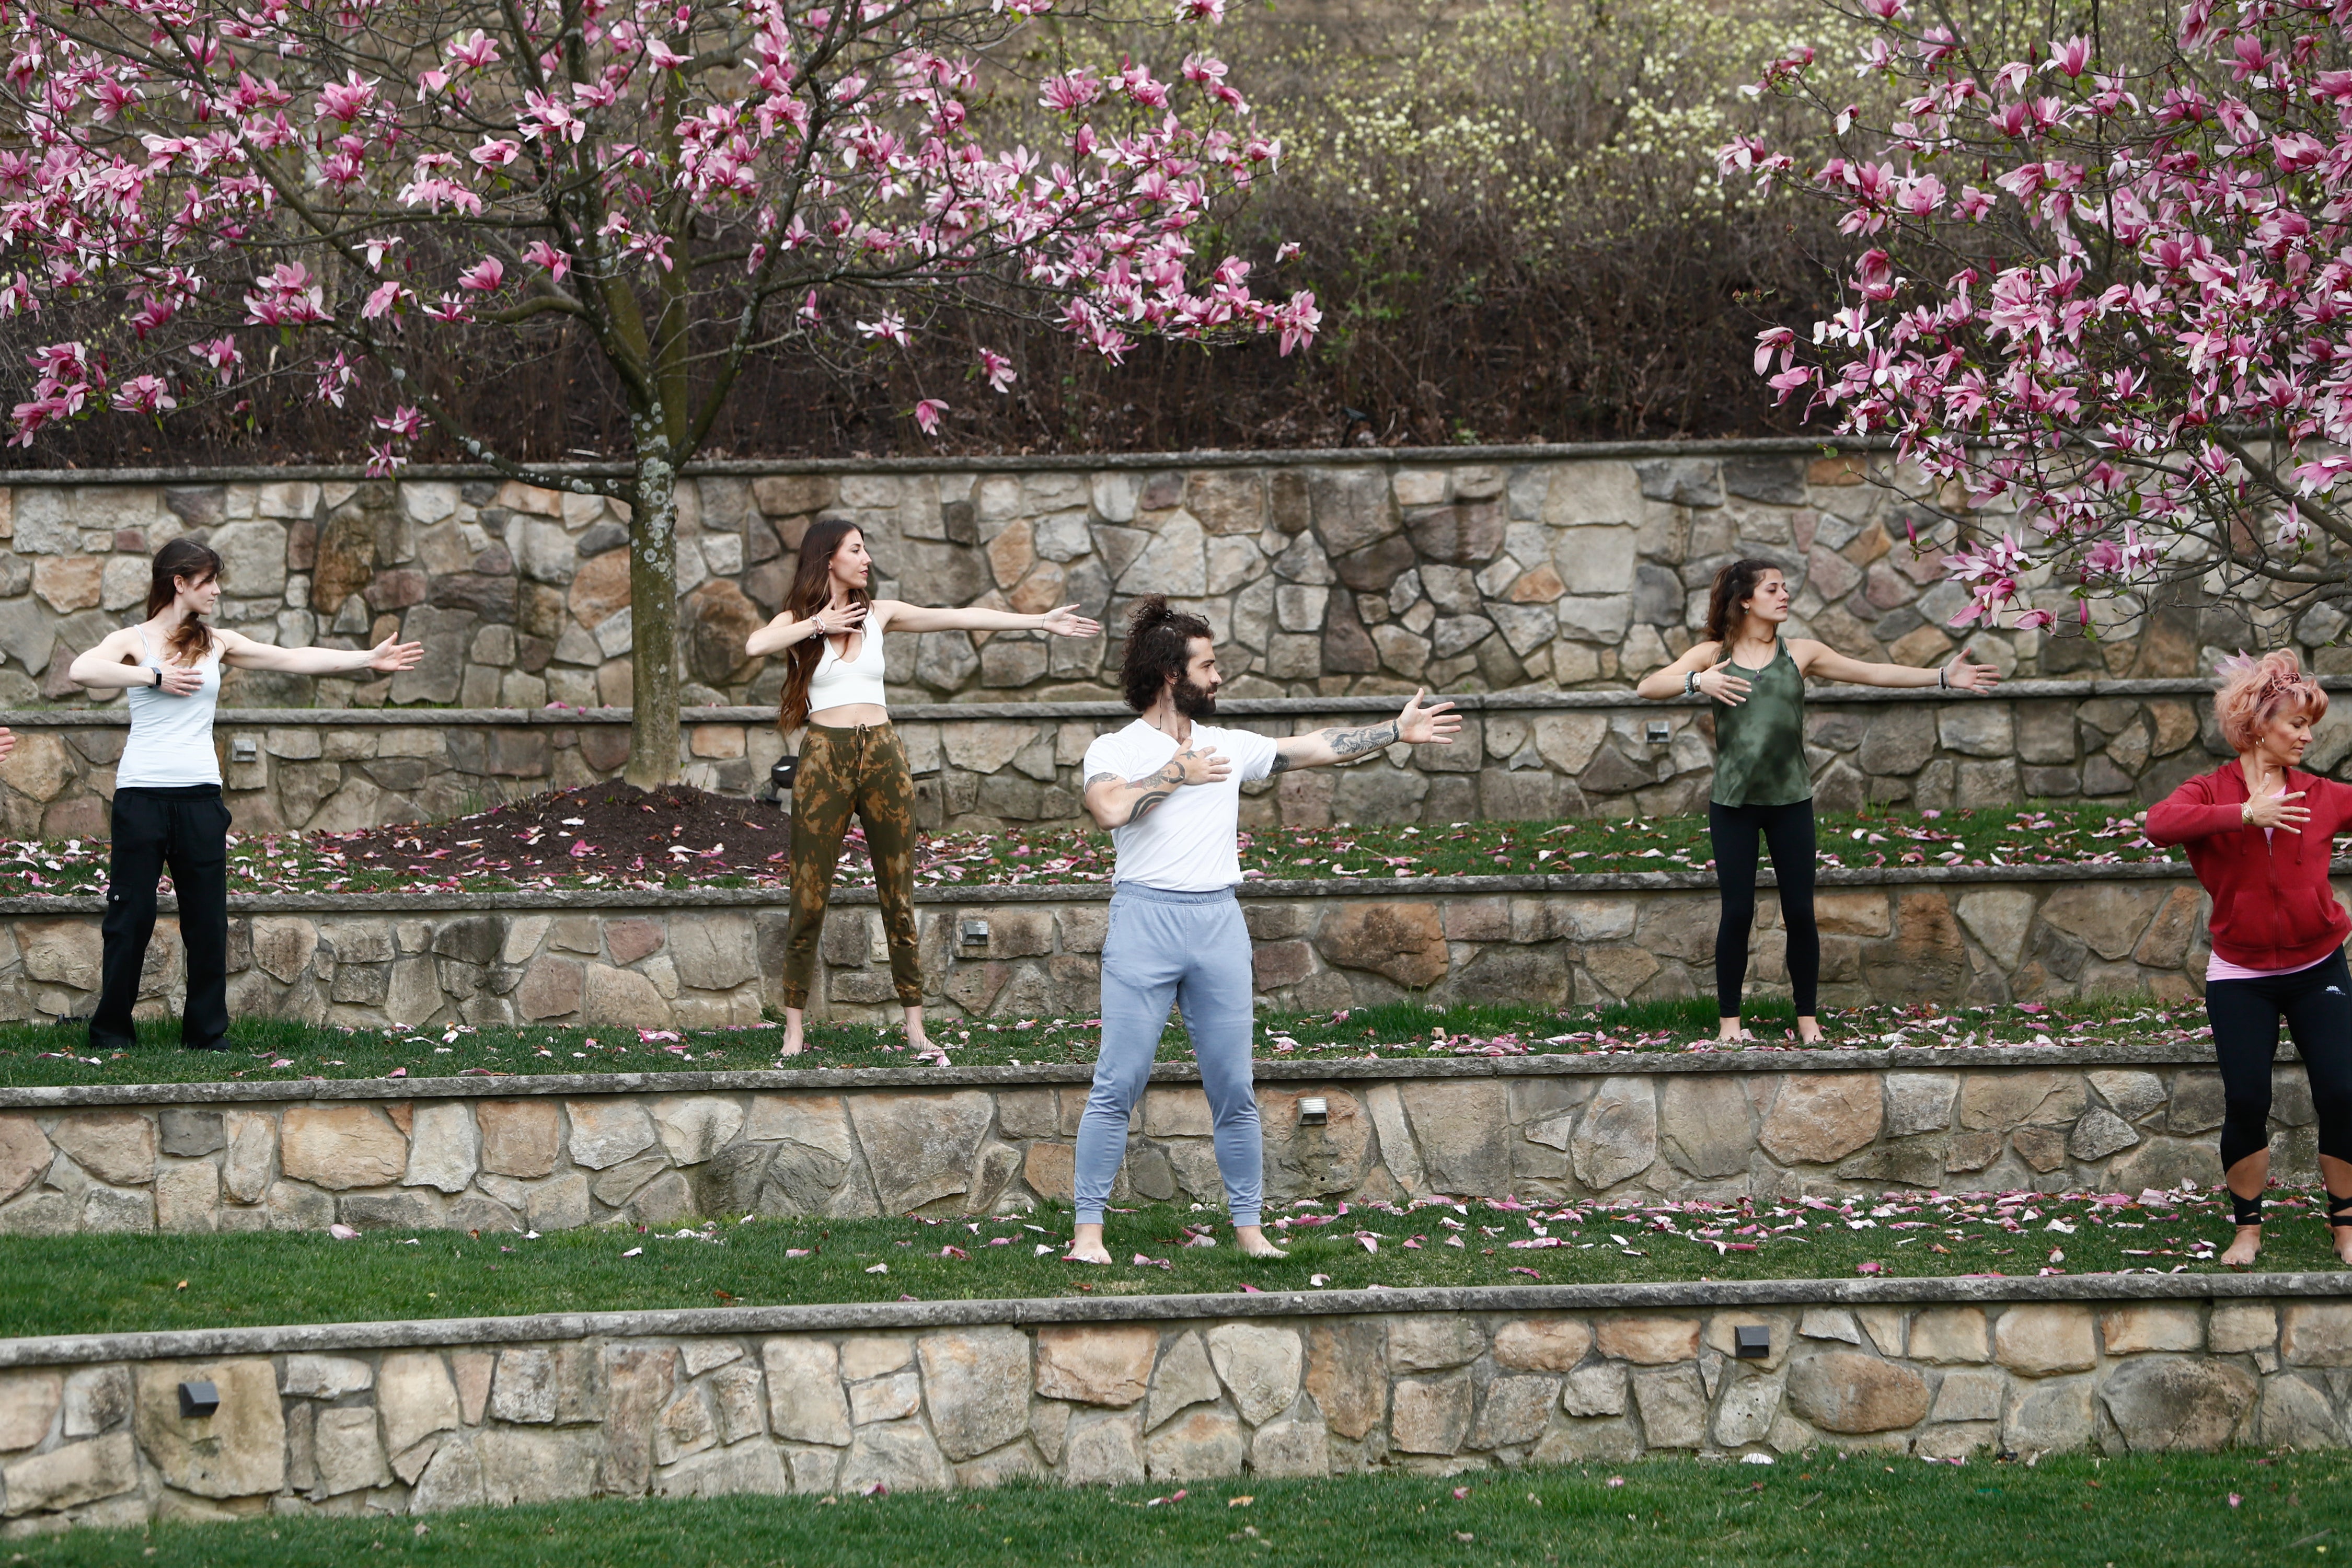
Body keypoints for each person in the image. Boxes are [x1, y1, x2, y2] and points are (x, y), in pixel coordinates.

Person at [1065, 596, 1462, 1264]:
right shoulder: (1116, 748)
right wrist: (1174, 773)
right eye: (1209, 665)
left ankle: (1250, 1230)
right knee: (1118, 1082)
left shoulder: (1229, 745)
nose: (1219, 677)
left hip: (1218, 922)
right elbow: (1106, 807)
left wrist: (1394, 731)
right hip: (1145, 922)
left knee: (1234, 1087)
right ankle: (1088, 1235)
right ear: (1171, 673)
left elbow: (1308, 748)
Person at [746, 517, 1101, 1060]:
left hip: (883, 755)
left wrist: (1038, 621)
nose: (867, 560)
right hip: (824, 756)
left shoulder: (879, 613)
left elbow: (957, 617)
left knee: (898, 891)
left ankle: (915, 1026)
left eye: (866, 550)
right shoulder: (797, 620)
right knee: (809, 894)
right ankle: (794, 1028)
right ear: (828, 558)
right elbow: (756, 644)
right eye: (857, 550)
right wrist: (817, 624)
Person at [70, 539, 423, 1051]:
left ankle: (207, 1033)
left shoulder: (217, 642)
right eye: (208, 580)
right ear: (179, 583)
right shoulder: (133, 640)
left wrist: (368, 658)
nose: (216, 590)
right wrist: (153, 675)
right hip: (142, 797)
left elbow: (294, 659)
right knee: (130, 918)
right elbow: (83, 671)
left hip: (201, 800)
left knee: (207, 922)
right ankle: (111, 1031)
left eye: (217, 580)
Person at [1638, 558, 1999, 1044]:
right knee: (1738, 912)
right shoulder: (1712, 655)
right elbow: (1647, 686)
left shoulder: (1800, 653)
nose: (1784, 595)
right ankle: (1730, 1026)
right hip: (1733, 806)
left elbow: (1872, 672)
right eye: (1773, 589)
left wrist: (1941, 677)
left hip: (1791, 803)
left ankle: (1807, 1021)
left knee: (1801, 913)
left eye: (1785, 587)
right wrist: (1696, 682)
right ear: (1746, 599)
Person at [2146, 650, 2352, 1267]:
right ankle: (2248, 1230)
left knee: (2343, 1093)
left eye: (2310, 725)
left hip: (2319, 968)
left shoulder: (2322, 794)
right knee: (2246, 1100)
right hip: (2241, 975)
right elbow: (2160, 824)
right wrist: (2243, 814)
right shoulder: (2211, 791)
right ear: (2259, 723)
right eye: (2297, 724)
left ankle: (2345, 1227)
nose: (2307, 737)